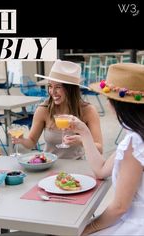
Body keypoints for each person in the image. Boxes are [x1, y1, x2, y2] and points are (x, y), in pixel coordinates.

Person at [68, 63, 144, 235]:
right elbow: (101, 171)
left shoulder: (135, 142)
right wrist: (85, 133)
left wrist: (87, 229)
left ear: (116, 103)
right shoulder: (136, 134)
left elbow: (119, 208)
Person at [11, 60, 103, 159]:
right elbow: (32, 142)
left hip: (76, 166)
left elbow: (100, 149)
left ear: (70, 89)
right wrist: (22, 140)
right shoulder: (43, 110)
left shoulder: (88, 111)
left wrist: (82, 140)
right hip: (48, 164)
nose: (52, 92)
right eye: (50, 86)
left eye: (58, 87)